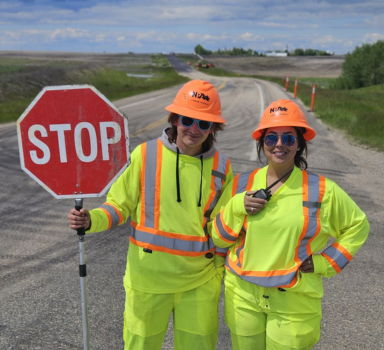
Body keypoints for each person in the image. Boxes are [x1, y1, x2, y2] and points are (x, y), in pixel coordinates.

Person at [68, 79, 233, 350]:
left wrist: (218, 271)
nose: (194, 129)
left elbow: (225, 225)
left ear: (213, 128)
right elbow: (119, 205)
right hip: (147, 280)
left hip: (200, 282)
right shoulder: (145, 154)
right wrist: (90, 220)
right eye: (188, 119)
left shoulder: (223, 167)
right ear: (175, 118)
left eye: (204, 123)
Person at [209, 99, 370, 350]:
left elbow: (358, 226)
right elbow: (218, 237)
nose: (279, 145)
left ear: (299, 145)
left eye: (289, 138)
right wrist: (237, 205)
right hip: (243, 297)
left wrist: (324, 262)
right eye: (271, 138)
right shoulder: (241, 184)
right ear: (262, 143)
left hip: (294, 302)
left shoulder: (323, 190)